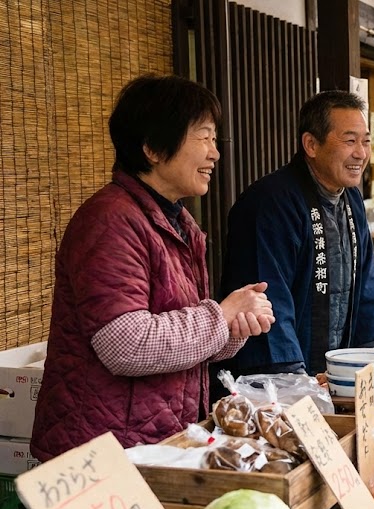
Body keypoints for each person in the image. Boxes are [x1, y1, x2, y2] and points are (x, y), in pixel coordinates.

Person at [31, 75, 275, 460]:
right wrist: (221, 315)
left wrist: (233, 328)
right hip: (103, 450)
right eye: (204, 136)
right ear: (153, 149)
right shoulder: (111, 221)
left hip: (155, 440)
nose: (215, 153)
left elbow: (179, 335)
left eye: (215, 139)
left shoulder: (178, 224)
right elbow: (125, 344)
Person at [221, 91, 374, 379]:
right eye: (350, 141)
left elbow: (367, 287)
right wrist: (293, 382)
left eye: (366, 141)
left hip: (335, 377)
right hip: (280, 382)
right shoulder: (270, 203)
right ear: (311, 144)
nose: (361, 153)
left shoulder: (352, 200)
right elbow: (267, 301)